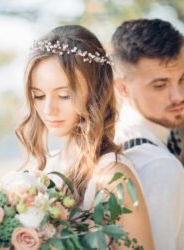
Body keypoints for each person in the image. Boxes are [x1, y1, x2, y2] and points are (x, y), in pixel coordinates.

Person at [15, 24, 155, 249]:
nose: (49, 109)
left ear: (95, 91)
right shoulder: (41, 168)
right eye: (38, 96)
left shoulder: (113, 177)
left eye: (64, 95)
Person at [111, 19, 184, 250]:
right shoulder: (158, 166)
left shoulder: (111, 141)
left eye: (182, 79)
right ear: (122, 88)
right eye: (160, 85)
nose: (178, 96)